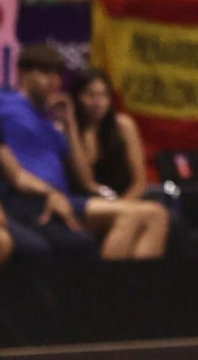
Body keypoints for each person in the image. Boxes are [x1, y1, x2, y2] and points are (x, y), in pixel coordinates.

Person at [0, 45, 168, 259]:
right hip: (27, 200)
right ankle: (104, 290)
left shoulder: (51, 122)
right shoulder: (5, 102)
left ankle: (134, 290)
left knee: (156, 215)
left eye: (57, 75)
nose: (53, 81)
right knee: (130, 216)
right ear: (22, 73)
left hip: (66, 199)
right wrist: (50, 192)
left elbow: (85, 179)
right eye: (44, 73)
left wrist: (69, 124)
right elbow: (16, 175)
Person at [72, 69, 147, 201]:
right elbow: (86, 183)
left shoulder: (123, 126)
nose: (97, 103)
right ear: (76, 96)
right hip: (87, 204)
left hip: (125, 200)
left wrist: (121, 207)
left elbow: (140, 183)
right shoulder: (68, 131)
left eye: (103, 95)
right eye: (90, 95)